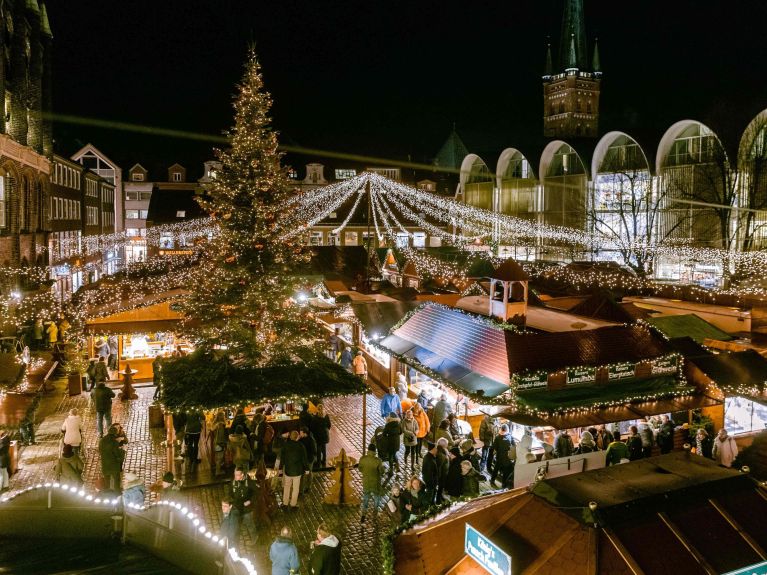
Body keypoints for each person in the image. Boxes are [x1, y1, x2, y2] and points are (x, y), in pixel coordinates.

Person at [279, 430, 309, 510]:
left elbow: (282, 458)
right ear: (297, 437)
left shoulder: (285, 445)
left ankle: (285, 503)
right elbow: (304, 459)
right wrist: (307, 469)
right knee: (296, 488)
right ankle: (293, 504)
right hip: (297, 471)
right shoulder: (301, 446)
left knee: (286, 487)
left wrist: (280, 468)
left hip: (288, 470)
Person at [358, 443, 385, 523]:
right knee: (377, 498)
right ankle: (375, 513)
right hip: (375, 483)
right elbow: (381, 472)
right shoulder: (378, 460)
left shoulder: (362, 458)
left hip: (366, 482)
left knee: (366, 499)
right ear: (375, 451)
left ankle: (363, 514)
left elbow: (360, 468)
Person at [229, 467, 257, 542]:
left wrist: (250, 501)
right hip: (237, 506)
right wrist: (230, 503)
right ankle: (234, 539)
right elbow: (230, 494)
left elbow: (256, 493)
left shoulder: (249, 482)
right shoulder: (233, 482)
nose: (235, 477)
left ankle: (254, 538)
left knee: (249, 523)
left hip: (246, 508)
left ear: (242, 475)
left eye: (237, 475)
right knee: (234, 523)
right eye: (235, 474)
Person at [99, 425, 125, 492]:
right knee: (116, 480)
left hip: (105, 463)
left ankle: (108, 493)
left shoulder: (102, 440)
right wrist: (122, 452)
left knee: (107, 480)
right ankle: (117, 492)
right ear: (115, 433)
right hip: (113, 464)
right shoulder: (114, 442)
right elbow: (117, 454)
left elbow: (100, 450)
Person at [310, 403, 331, 469]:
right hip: (324, 434)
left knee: (318, 448)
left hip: (317, 435)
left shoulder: (315, 417)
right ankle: (324, 460)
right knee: (324, 447)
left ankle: (319, 462)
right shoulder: (326, 416)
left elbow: (312, 427)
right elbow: (329, 425)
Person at [299, 426, 317, 494]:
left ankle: (308, 487)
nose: (300, 434)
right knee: (303, 474)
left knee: (308, 473)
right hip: (303, 459)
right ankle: (302, 488)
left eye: (301, 433)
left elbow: (314, 451)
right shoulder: (301, 439)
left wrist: (310, 457)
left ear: (305, 433)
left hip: (309, 460)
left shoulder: (311, 440)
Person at [211, 410, 228, 476]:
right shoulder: (221, 425)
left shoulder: (215, 423)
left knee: (217, 457)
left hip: (216, 442)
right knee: (219, 458)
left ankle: (218, 470)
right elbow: (221, 435)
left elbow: (212, 429)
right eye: (223, 415)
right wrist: (224, 443)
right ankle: (218, 472)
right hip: (220, 443)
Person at [435, 437, 450, 503]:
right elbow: (439, 467)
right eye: (447, 444)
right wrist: (439, 477)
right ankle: (438, 501)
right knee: (440, 488)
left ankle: (440, 497)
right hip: (442, 475)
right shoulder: (440, 454)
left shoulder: (443, 451)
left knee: (441, 488)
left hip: (444, 473)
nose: (447, 445)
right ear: (443, 445)